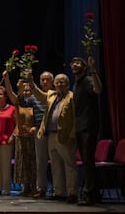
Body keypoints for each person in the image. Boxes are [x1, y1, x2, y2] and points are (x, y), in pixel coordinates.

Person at [29, 73, 78, 203]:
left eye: (62, 82)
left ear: (67, 83)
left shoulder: (71, 97)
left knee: (69, 165)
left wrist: (72, 135)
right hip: (51, 135)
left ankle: (72, 192)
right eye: (57, 82)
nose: (59, 84)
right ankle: (59, 192)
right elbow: (40, 95)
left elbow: (75, 118)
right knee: (55, 165)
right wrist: (32, 84)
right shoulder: (52, 95)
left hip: (65, 136)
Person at [70, 56, 102, 206]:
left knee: (88, 160)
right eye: (72, 63)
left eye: (77, 63)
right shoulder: (76, 84)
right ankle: (93, 194)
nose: (74, 65)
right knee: (86, 161)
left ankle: (90, 194)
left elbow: (98, 89)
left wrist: (93, 70)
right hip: (79, 126)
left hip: (88, 125)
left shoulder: (89, 80)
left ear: (84, 66)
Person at [2, 71, 36, 196]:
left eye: (28, 91)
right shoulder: (18, 101)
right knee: (22, 163)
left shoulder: (35, 103)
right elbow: (9, 91)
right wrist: (6, 78)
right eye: (24, 90)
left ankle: (34, 186)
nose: (26, 92)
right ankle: (25, 186)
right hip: (21, 136)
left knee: (32, 162)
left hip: (32, 137)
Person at [31, 71, 54, 199]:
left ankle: (58, 188)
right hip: (40, 131)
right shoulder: (35, 96)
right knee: (41, 162)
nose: (45, 82)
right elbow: (23, 106)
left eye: (47, 80)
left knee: (56, 162)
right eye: (42, 80)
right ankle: (41, 188)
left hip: (53, 132)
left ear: (52, 81)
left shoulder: (56, 95)